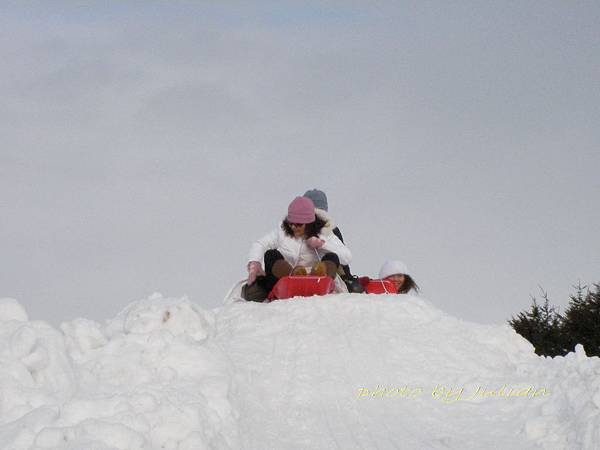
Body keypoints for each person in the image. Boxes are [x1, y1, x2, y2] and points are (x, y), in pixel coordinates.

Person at [243, 196, 352, 302]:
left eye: (299, 224)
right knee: (271, 254)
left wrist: (322, 245)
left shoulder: (324, 233)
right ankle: (294, 276)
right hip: (286, 274)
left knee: (332, 257)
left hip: (314, 274)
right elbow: (261, 243)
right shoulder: (283, 232)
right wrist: (254, 261)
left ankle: (320, 274)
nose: (294, 227)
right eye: (291, 223)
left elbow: (346, 257)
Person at [302, 189, 363, 292]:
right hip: (301, 268)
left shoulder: (331, 230)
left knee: (331, 257)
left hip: (323, 269)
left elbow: (344, 256)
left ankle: (321, 277)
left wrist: (322, 245)